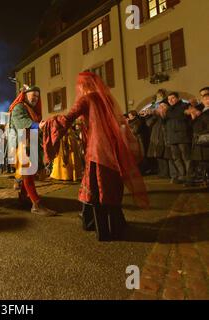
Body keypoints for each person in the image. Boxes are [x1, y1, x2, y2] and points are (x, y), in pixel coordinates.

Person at [41, 72, 149, 241]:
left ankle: (103, 229)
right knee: (111, 183)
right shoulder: (107, 98)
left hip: (97, 148)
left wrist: (47, 123)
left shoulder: (86, 99)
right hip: (112, 146)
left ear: (83, 85)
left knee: (97, 186)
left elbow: (66, 119)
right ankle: (116, 224)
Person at [8, 85, 56, 216]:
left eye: (37, 96)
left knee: (29, 172)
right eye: (32, 95)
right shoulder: (19, 107)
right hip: (22, 144)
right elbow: (21, 122)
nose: (35, 98)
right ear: (26, 95)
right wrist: (37, 125)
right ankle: (36, 204)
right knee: (28, 172)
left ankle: (23, 198)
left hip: (31, 143)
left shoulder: (32, 109)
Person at [164, 92, 193, 184]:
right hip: (172, 137)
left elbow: (181, 115)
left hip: (182, 136)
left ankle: (189, 175)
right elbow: (165, 122)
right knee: (176, 158)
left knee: (186, 157)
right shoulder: (168, 110)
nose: (170, 101)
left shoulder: (184, 106)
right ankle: (182, 175)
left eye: (172, 98)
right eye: (169, 99)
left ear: (177, 98)